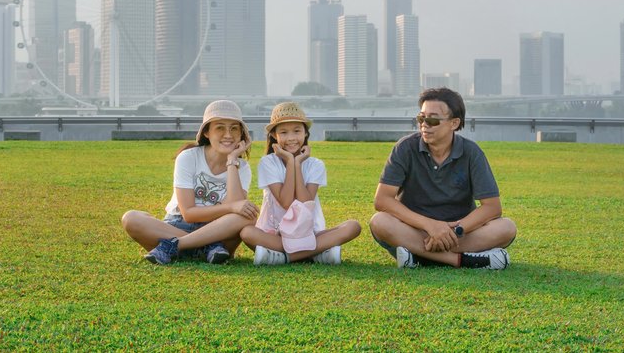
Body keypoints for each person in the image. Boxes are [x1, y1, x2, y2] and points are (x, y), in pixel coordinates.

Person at [369, 87, 517, 269]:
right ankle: (461, 260)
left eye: (432, 120)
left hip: (459, 234)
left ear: (454, 123)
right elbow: (382, 200)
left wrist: (455, 230)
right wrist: (430, 226)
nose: (424, 124)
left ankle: (418, 258)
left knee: (507, 228)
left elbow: (492, 208)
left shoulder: (471, 153)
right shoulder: (405, 148)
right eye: (421, 118)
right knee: (380, 222)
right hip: (414, 229)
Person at [121, 100, 259, 265]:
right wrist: (230, 207)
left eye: (234, 128)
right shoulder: (188, 157)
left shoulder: (241, 167)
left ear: (241, 134)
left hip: (217, 230)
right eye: (220, 127)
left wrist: (232, 161)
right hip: (178, 224)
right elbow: (189, 213)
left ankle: (174, 247)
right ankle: (206, 249)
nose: (228, 135)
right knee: (131, 218)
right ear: (207, 132)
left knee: (247, 217)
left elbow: (237, 210)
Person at [240, 102, 361, 265]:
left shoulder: (315, 164)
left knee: (353, 226)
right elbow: (286, 202)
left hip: (308, 233)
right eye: (284, 132)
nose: (291, 138)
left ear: (305, 133)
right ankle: (316, 254)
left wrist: (296, 164)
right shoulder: (267, 163)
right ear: (275, 135)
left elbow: (305, 204)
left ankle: (282, 257)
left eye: (297, 131)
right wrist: (290, 162)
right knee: (247, 232)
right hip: (275, 234)